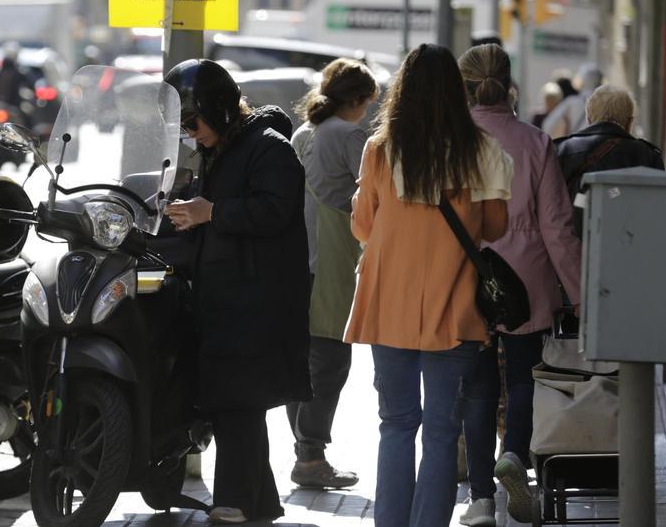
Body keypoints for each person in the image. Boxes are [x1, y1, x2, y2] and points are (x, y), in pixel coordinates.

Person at [346, 44, 513, 527]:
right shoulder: (480, 150)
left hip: (387, 303)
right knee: (442, 431)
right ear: (456, 92)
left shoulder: (380, 148)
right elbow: (495, 227)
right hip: (455, 304)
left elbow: (362, 226)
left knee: (396, 425)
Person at [163, 59, 312, 524]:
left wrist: (211, 213)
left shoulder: (269, 148)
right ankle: (259, 501)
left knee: (237, 402)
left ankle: (235, 500)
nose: (191, 134)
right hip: (229, 296)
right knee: (234, 401)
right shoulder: (223, 149)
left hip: (256, 299)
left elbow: (275, 211)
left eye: (194, 122)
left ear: (221, 109)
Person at [456, 45, 583, 526]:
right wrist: (576, 290)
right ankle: (515, 454)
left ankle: (482, 498)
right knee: (527, 374)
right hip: (526, 277)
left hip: (467, 276)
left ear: (465, 86)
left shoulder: (452, 140)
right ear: (510, 84)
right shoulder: (535, 141)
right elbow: (556, 225)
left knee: (477, 386)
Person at [285, 58, 378, 489]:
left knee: (303, 357)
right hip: (332, 255)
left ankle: (304, 451)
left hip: (297, 255)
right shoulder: (350, 133)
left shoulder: (304, 132)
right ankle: (310, 455)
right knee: (331, 358)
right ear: (357, 100)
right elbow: (373, 194)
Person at [554, 84, 665, 236]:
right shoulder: (649, 156)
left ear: (588, 118)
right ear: (629, 122)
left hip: (572, 250)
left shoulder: (562, 151)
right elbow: (657, 214)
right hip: (630, 247)